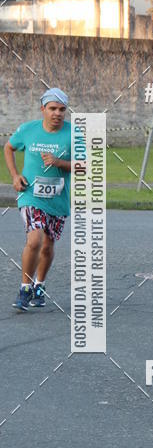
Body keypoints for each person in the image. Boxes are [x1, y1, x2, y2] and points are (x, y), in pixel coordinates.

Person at [4, 88, 72, 311]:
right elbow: (9, 147)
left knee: (47, 246)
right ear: (43, 109)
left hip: (58, 199)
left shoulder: (74, 134)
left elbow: (86, 166)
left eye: (62, 109)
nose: (57, 113)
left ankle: (39, 286)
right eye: (52, 108)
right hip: (31, 195)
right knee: (35, 240)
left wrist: (59, 163)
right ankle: (24, 289)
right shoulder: (28, 130)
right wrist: (15, 176)